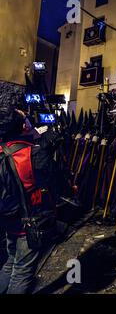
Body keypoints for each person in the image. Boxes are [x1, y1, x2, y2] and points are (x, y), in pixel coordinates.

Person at [0, 93, 61, 294]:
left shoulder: (3, 150)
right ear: (22, 127)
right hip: (28, 221)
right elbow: (52, 182)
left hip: (8, 218)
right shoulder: (30, 153)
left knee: (10, 261)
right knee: (22, 271)